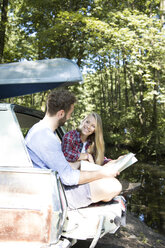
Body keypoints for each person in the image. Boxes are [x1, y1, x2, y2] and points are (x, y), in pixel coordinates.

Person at [25, 89, 122, 210]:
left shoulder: (41, 131)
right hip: (56, 193)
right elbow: (68, 178)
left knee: (102, 176)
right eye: (70, 113)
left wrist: (107, 166)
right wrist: (102, 173)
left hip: (55, 180)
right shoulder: (45, 137)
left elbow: (63, 166)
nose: (69, 117)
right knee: (114, 186)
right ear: (61, 113)